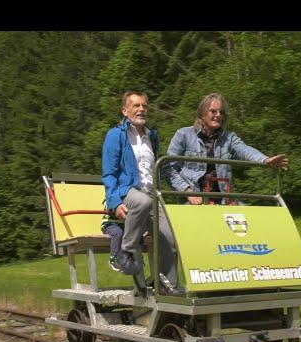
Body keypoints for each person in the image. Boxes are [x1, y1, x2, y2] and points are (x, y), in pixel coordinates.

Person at [101, 91, 178, 291]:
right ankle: (123, 254)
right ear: (125, 110)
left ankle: (169, 288)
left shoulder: (151, 136)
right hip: (127, 192)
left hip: (151, 195)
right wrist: (115, 202)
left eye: (144, 105)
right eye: (136, 106)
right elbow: (109, 174)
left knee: (170, 239)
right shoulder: (116, 135)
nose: (141, 109)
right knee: (141, 202)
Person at [164, 92, 289, 204]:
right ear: (202, 115)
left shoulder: (228, 138)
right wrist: (188, 191)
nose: (218, 115)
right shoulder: (183, 135)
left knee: (253, 221)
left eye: (221, 112)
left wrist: (265, 160)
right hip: (194, 200)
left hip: (224, 199)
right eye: (213, 111)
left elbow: (244, 150)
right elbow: (168, 168)